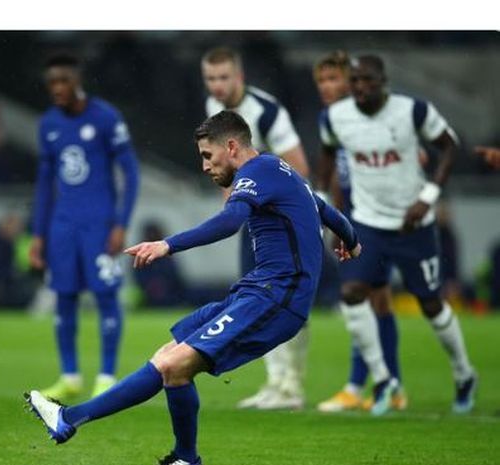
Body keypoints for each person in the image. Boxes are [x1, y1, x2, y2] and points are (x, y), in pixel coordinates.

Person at [25, 111, 378, 465]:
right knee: (168, 358)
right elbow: (326, 210)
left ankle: (96, 429)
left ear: (231, 146)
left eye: (208, 156)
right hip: (255, 292)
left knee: (176, 364)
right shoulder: (279, 171)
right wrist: (353, 241)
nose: (205, 166)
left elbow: (230, 221)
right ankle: (129, 439)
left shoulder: (257, 173)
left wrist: (168, 244)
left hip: (276, 297)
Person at [318, 54, 477, 414]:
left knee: (431, 306)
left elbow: (450, 144)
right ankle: (383, 380)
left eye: (368, 81)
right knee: (352, 293)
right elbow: (327, 156)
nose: (360, 87)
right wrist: (326, 206)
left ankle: (464, 373)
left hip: (413, 226)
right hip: (368, 224)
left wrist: (429, 197)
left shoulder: (413, 111)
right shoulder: (336, 117)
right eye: (355, 81)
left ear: (383, 81)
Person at [201, 46, 311, 410]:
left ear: (240, 77)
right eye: (211, 78)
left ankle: (292, 385)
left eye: (223, 78)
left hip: (284, 221)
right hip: (252, 220)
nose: (217, 86)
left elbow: (298, 167)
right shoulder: (212, 111)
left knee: (285, 296)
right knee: (256, 295)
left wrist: (258, 197)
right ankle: (275, 382)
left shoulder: (267, 111)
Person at [29, 53, 140, 401]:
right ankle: (70, 376)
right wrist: (38, 233)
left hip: (99, 224)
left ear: (77, 80)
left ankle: (106, 375)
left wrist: (121, 223)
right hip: (62, 225)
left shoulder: (106, 118)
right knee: (63, 297)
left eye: (63, 80)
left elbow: (132, 173)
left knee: (106, 296)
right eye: (51, 83)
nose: (57, 88)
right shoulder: (48, 123)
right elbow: (45, 182)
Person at [312, 51, 407, 413]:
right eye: (321, 81)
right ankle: (391, 386)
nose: (327, 87)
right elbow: (332, 172)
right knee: (374, 299)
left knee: (360, 298)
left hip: (369, 218)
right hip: (353, 215)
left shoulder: (367, 120)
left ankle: (359, 384)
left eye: (334, 79)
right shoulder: (332, 121)